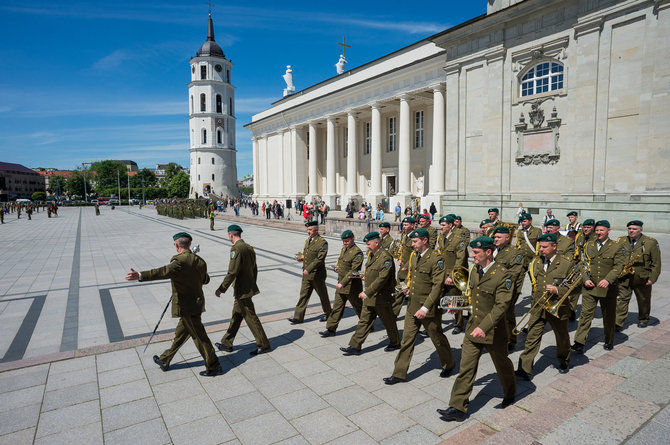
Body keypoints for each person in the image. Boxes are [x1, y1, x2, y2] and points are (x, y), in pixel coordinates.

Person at [437, 236, 516, 422]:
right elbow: (473, 297)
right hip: (473, 329)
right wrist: (459, 306)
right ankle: (457, 407)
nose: (473, 256)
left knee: (502, 365)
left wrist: (484, 327)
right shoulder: (475, 271)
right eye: (473, 252)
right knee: (466, 367)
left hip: (493, 331)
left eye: (476, 253)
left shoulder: (503, 275)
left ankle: (510, 392)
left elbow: (501, 306)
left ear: (488, 252)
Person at [124, 232, 222, 376]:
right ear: (189, 244)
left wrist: (140, 275)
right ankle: (165, 359)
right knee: (181, 334)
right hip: (197, 304)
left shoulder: (179, 261)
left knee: (200, 337)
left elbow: (162, 271)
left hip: (186, 306)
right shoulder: (200, 261)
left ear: (177, 245)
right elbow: (205, 280)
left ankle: (214, 366)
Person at [384, 228, 455, 384]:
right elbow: (415, 277)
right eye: (412, 241)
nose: (412, 244)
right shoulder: (414, 256)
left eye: (415, 241)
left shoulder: (436, 258)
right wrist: (408, 288)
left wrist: (425, 308)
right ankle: (399, 373)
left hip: (428, 308)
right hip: (412, 305)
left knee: (437, 337)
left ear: (425, 240)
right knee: (407, 339)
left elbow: (438, 286)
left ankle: (449, 363)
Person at [516, 233, 575, 380]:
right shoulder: (537, 261)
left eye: (544, 247)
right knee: (532, 336)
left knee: (561, 337)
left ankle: (564, 360)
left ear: (554, 246)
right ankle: (525, 368)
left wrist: (558, 290)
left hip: (557, 306)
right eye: (540, 246)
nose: (541, 249)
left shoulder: (567, 262)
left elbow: (575, 285)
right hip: (538, 305)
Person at [214, 225, 271, 355]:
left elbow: (232, 272)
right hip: (246, 287)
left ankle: (264, 344)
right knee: (236, 315)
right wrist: (252, 282)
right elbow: (255, 269)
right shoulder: (249, 248)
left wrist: (221, 289)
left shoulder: (237, 249)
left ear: (230, 235)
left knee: (251, 316)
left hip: (242, 290)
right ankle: (227, 343)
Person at [340, 231, 400, 355]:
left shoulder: (385, 257)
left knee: (388, 321)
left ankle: (395, 342)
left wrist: (367, 292)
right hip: (370, 296)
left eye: (368, 244)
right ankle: (355, 346)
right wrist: (365, 276)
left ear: (377, 243)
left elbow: (382, 278)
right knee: (364, 321)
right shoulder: (372, 255)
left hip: (381, 297)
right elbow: (374, 273)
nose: (367, 246)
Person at [572, 220, 625, 353]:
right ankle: (579, 342)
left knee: (608, 316)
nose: (598, 232)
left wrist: (608, 280)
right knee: (585, 315)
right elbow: (582, 264)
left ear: (609, 231)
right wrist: (584, 279)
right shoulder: (588, 245)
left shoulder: (616, 246)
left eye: (602, 230)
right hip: (590, 286)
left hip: (608, 288)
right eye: (597, 230)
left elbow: (619, 266)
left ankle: (609, 340)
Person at [616, 220, 661, 330]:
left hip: (642, 278)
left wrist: (652, 278)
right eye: (629, 228)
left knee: (643, 300)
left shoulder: (650, 242)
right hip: (624, 277)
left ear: (641, 230)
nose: (631, 231)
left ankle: (643, 318)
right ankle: (618, 322)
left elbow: (656, 263)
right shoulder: (621, 240)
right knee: (622, 299)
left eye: (634, 229)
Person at [320, 230, 364, 337]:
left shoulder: (357, 253)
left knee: (359, 308)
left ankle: (367, 325)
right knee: (337, 307)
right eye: (343, 241)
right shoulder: (344, 249)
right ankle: (331, 329)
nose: (345, 243)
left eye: (347, 241)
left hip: (352, 286)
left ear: (353, 239)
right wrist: (337, 268)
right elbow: (342, 263)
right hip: (341, 285)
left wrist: (343, 283)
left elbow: (354, 271)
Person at [289, 221, 332, 324]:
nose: (307, 231)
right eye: (307, 229)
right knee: (303, 295)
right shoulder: (308, 240)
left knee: (322, 295)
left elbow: (319, 259)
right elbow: (306, 253)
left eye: (310, 230)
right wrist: (301, 257)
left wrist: (308, 269)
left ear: (316, 230)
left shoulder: (322, 242)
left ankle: (328, 314)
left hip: (317, 274)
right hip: (306, 275)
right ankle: (298, 317)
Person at [491, 226, 525, 351]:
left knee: (507, 314)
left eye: (499, 237)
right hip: (492, 288)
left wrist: (496, 280)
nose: (496, 239)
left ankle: (511, 339)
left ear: (507, 238)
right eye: (495, 237)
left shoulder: (515, 253)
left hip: (507, 288)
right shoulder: (493, 250)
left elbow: (514, 273)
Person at [437, 215, 469, 334]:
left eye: (443, 225)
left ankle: (458, 323)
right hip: (441, 273)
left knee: (455, 299)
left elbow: (460, 259)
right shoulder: (441, 237)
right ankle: (436, 323)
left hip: (454, 275)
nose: (441, 227)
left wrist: (451, 275)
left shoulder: (458, 239)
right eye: (440, 225)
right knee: (438, 298)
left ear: (450, 225)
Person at [393, 217, 416, 317]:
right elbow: (403, 250)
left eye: (406, 225)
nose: (404, 226)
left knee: (412, 292)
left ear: (412, 225)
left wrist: (406, 266)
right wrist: (399, 258)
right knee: (399, 289)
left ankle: (415, 315)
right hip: (403, 268)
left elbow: (416, 253)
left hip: (411, 269)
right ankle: (393, 313)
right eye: (404, 225)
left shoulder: (415, 237)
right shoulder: (405, 236)